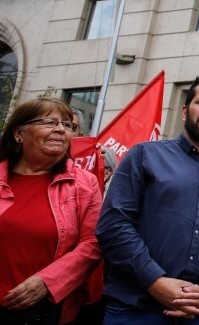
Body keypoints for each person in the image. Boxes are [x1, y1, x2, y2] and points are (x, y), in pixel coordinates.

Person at [97, 73, 199, 325]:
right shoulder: (143, 156)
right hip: (135, 309)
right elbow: (114, 225)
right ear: (185, 111)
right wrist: (155, 281)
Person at [0, 97, 102, 325]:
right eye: (48, 122)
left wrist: (48, 282)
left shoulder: (84, 184)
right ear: (19, 133)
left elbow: (93, 243)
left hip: (40, 310)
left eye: (67, 125)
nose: (60, 129)